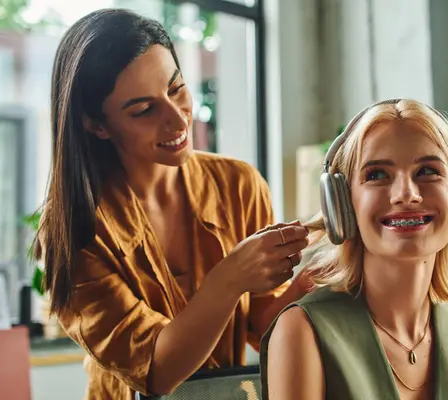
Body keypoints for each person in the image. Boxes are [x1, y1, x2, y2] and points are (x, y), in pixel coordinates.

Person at [32, 8, 311, 400]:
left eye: (177, 88)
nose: (178, 121)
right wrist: (229, 279)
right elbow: (157, 374)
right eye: (144, 110)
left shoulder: (238, 184)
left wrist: (316, 277)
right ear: (95, 124)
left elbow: (262, 323)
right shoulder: (75, 229)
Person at [260, 99, 448, 399]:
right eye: (377, 175)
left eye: (428, 171)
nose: (406, 194)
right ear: (342, 205)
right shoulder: (302, 332)